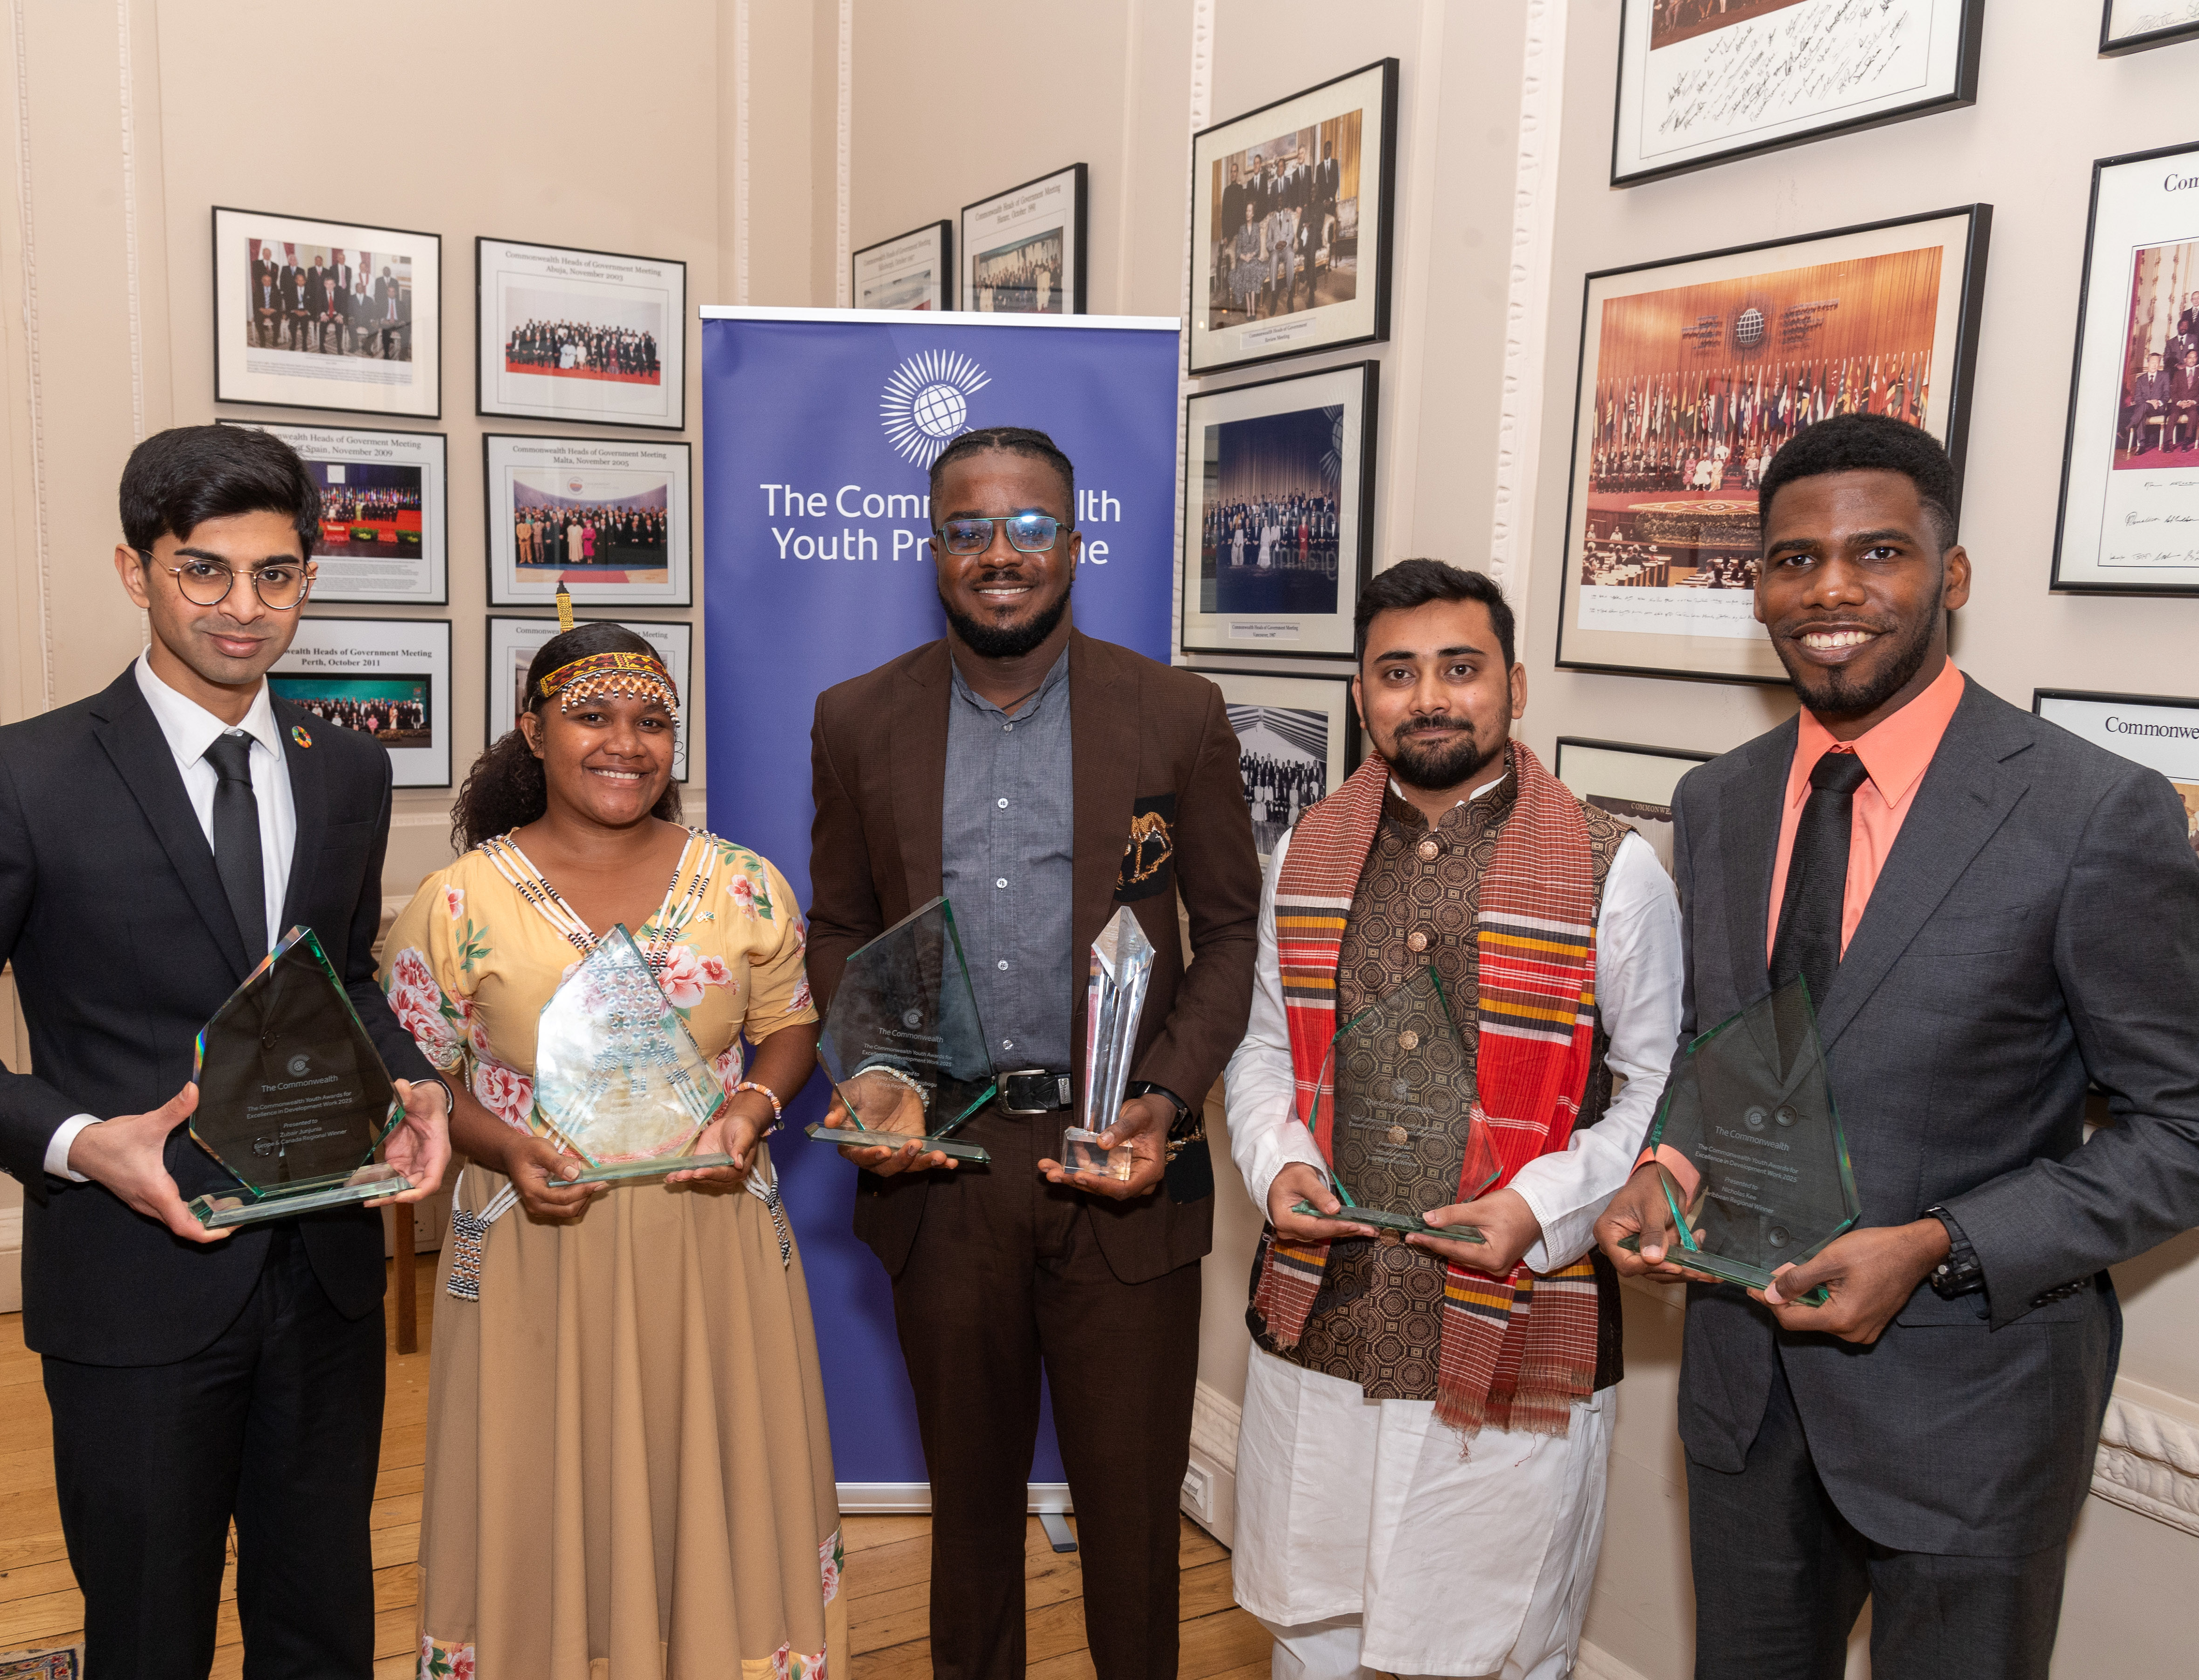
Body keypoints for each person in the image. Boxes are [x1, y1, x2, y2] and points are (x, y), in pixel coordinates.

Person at [1595, 413, 2199, 1680]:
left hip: (1972, 1413)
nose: (1831, 590)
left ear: (1950, 575)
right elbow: (1721, 1040)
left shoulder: (2089, 812)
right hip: (1743, 1399)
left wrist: (1939, 1245)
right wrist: (1668, 1167)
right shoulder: (1718, 800)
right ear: (1758, 587)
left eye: (1878, 552)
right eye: (1794, 560)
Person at [0, 424, 454, 1678]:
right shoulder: (24, 777)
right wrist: (77, 1144)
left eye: (275, 574)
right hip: (132, 1281)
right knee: (148, 1631)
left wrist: (414, 1084)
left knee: (322, 1623)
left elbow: (338, 979)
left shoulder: (347, 769)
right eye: (203, 570)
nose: (243, 607)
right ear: (137, 572)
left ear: (308, 577)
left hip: (325, 1271)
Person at [806, 426, 1261, 1679]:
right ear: (933, 547)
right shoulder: (856, 719)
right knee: (969, 1519)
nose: (998, 553)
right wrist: (879, 1073)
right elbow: (839, 925)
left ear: (1074, 542)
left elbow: (1229, 932)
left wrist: (1165, 1095)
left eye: (1028, 526)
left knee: (1133, 1523)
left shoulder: (1174, 713)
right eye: (968, 529)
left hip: (1124, 1159)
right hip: (944, 1166)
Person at [1223, 560, 1684, 1680]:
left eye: (1460, 668)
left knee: (1489, 1643)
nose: (1428, 697)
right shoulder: (1304, 851)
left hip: (1513, 1325)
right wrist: (1274, 1162)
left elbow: (1659, 1087)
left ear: (1515, 686)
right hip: (1327, 1310)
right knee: (1314, 1631)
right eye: (1397, 673)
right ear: (1359, 695)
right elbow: (1266, 1047)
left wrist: (1539, 1207)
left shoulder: (1612, 868)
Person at [386, 621, 844, 1676]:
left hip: (711, 1239)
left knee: (717, 1480)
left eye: (651, 722)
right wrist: (504, 1146)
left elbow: (790, 1021)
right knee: (539, 1481)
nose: (625, 744)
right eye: (591, 716)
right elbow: (410, 1076)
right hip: (535, 1242)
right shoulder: (459, 901)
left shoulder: (743, 883)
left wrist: (752, 1111)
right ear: (533, 731)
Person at [2126, 351, 2171, 452]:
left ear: (2159, 364)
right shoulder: (2140, 379)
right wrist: (2149, 403)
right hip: (2145, 408)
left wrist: (2159, 402)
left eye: (2157, 363)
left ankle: (2130, 425)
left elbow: (2167, 395)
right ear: (2148, 363)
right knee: (2143, 411)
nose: (2154, 365)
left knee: (2141, 410)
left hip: (2158, 408)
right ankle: (2142, 445)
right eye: (2152, 362)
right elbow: (2138, 398)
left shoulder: (2164, 376)